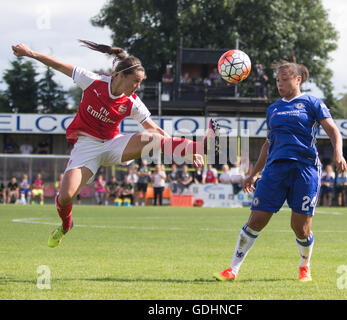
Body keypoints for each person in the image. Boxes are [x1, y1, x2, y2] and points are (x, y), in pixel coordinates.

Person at [11, 41, 218, 248]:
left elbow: (157, 131)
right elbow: (58, 65)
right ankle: (66, 226)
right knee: (65, 197)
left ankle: (200, 147)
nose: (137, 86)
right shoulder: (92, 81)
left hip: (113, 144)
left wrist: (188, 151)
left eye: (140, 82)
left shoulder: (132, 102)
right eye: (135, 81)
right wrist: (30, 53)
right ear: (121, 76)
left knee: (152, 137)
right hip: (87, 147)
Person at [213, 60, 347, 283]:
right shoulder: (273, 108)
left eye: (285, 79)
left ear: (298, 79)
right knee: (256, 219)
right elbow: (268, 143)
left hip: (305, 169)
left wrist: (338, 153)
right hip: (275, 170)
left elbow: (334, 131)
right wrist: (255, 173)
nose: (280, 83)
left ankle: (305, 266)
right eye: (277, 80)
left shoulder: (312, 103)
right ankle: (232, 269)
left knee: (300, 228)